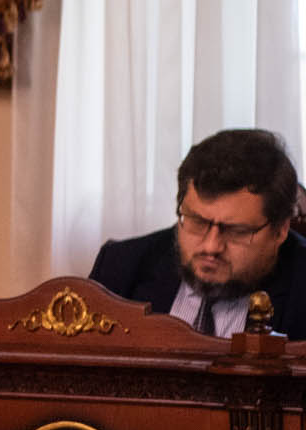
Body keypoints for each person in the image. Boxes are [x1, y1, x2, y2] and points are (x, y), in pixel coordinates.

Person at [89, 127, 306, 338]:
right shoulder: (120, 267)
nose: (211, 247)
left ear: (280, 230)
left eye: (236, 231)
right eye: (198, 222)